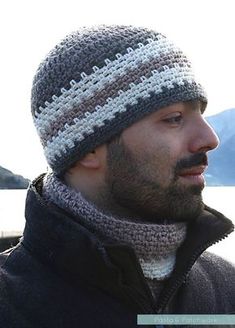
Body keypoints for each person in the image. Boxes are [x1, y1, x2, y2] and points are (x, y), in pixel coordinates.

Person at [0, 25, 234, 328]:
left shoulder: (225, 291)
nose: (210, 138)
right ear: (87, 149)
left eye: (201, 113)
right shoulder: (10, 306)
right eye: (174, 118)